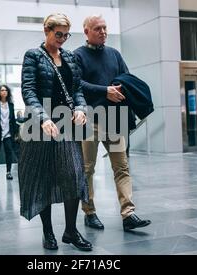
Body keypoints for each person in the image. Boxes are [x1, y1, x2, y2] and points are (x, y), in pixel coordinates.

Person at [19, 13, 92, 251]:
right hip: (41, 126)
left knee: (73, 174)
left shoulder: (69, 57)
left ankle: (70, 231)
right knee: (44, 179)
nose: (62, 39)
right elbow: (28, 91)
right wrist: (42, 118)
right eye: (58, 34)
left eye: (65, 35)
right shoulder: (33, 55)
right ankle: (47, 232)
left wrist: (81, 108)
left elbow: (77, 89)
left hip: (66, 124)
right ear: (46, 31)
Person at [74, 15, 151, 231]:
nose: (103, 32)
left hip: (115, 120)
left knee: (122, 167)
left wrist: (120, 89)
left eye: (105, 28)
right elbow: (76, 85)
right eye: (98, 28)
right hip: (90, 121)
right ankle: (89, 212)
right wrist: (104, 91)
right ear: (87, 31)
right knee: (88, 168)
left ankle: (128, 214)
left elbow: (126, 78)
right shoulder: (78, 56)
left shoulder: (114, 54)